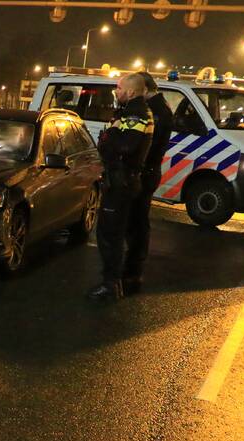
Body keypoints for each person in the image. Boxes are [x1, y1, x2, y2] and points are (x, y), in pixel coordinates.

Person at [88, 73, 155, 302]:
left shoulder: (136, 114)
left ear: (131, 92)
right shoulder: (130, 112)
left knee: (110, 235)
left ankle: (110, 286)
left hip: (121, 182)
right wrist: (110, 137)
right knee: (114, 233)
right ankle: (115, 281)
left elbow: (125, 146)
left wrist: (110, 133)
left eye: (119, 88)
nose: (116, 91)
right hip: (121, 180)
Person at [122, 72, 174, 295]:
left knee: (136, 222)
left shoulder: (155, 111)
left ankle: (132, 271)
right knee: (136, 221)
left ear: (144, 89)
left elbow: (141, 146)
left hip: (144, 173)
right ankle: (132, 268)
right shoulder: (159, 107)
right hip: (147, 172)